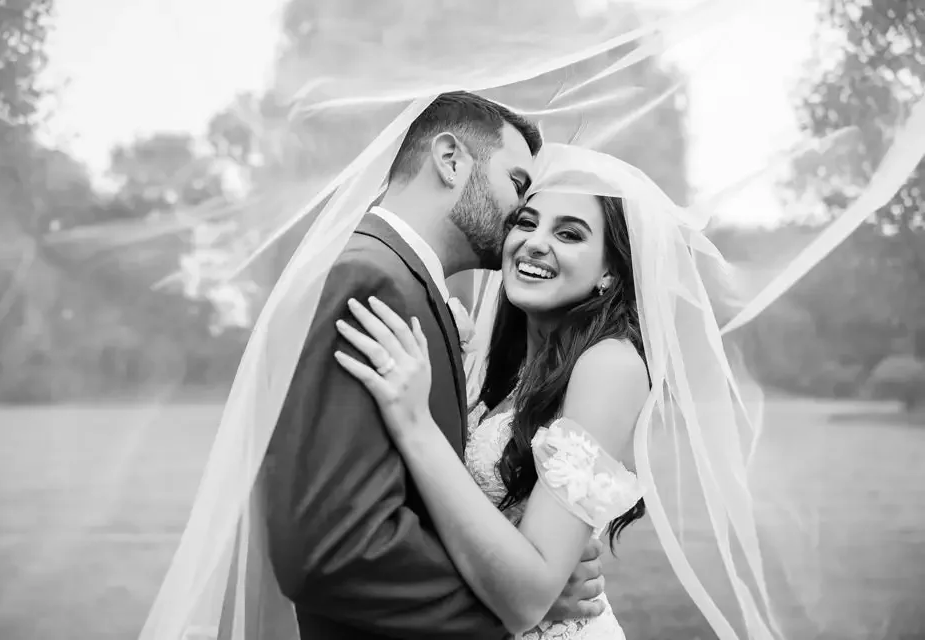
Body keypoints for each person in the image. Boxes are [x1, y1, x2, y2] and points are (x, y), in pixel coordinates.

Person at [333, 143, 784, 640]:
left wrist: (415, 424)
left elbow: (527, 597)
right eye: (525, 223)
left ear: (610, 271)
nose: (535, 243)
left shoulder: (610, 365)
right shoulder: (504, 364)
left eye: (568, 234)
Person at [256, 93, 613, 640]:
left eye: (568, 232)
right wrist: (522, 604)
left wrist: (531, 581)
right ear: (450, 160)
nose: (521, 222)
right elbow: (333, 543)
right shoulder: (374, 280)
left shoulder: (404, 282)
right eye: (518, 185)